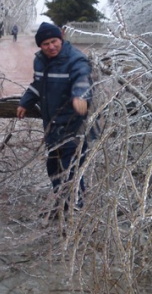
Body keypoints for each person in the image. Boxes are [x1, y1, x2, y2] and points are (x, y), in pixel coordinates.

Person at [17, 22, 93, 219]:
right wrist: (25, 102)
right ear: (40, 46)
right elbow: (37, 84)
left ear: (61, 38)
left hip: (73, 125)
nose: (51, 47)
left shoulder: (75, 59)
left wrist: (80, 96)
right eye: (45, 44)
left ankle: (75, 212)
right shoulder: (40, 61)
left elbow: (82, 79)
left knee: (71, 169)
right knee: (53, 167)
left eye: (54, 41)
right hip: (51, 125)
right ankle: (61, 204)